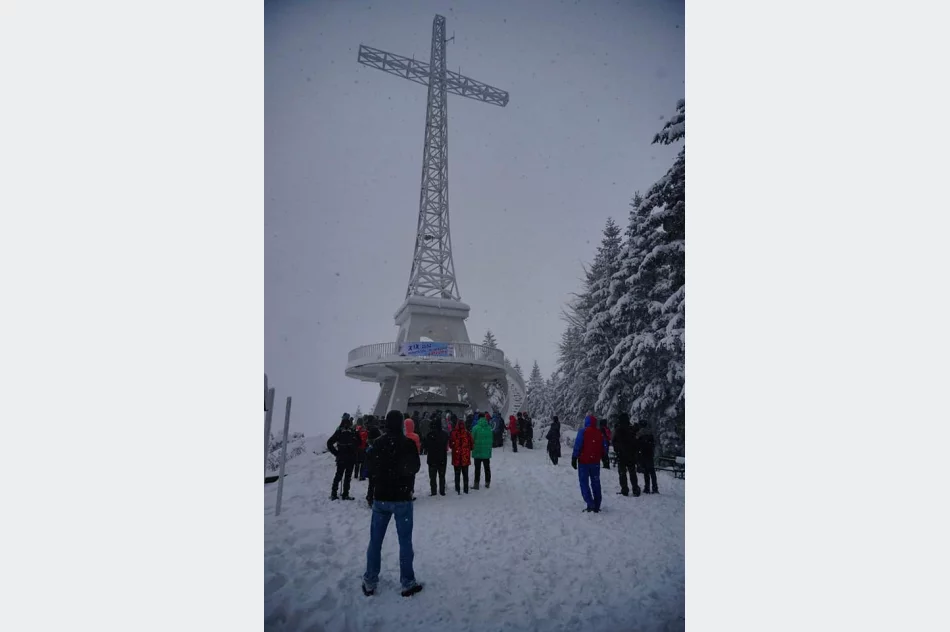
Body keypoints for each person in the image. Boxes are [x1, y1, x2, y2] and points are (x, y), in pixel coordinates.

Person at [362, 410, 423, 597]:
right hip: (402, 498)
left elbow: (368, 469)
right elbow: (415, 467)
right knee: (404, 542)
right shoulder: (408, 444)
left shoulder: (377, 444)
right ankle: (407, 582)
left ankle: (370, 581)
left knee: (375, 541)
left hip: (381, 498)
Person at [571, 414, 607, 513]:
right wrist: (603, 456)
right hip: (595, 462)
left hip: (584, 462)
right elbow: (604, 447)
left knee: (584, 483)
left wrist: (574, 457)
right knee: (596, 482)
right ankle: (597, 503)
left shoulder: (583, 432)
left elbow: (578, 444)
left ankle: (590, 503)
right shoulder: (599, 433)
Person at [326, 414, 358, 500]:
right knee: (347, 477)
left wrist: (336, 453)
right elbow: (358, 443)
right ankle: (345, 494)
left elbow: (329, 443)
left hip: (342, 458)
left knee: (338, 475)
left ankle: (334, 494)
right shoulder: (353, 430)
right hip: (350, 458)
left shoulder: (339, 430)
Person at [611, 413, 641, 497]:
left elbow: (614, 442)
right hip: (630, 454)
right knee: (632, 472)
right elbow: (635, 442)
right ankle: (635, 489)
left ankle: (624, 489)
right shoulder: (631, 429)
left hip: (621, 455)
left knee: (622, 473)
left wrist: (618, 450)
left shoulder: (618, 429)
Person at [422, 416, 449, 496]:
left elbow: (425, 447)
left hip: (432, 459)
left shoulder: (429, 435)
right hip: (442, 458)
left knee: (432, 477)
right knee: (442, 476)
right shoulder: (444, 434)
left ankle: (433, 491)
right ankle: (442, 490)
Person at [449, 414, 473, 494]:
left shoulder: (453, 433)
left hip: (456, 457)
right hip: (465, 457)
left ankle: (457, 489)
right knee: (465, 474)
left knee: (457, 474)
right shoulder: (467, 433)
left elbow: (450, 445)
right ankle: (466, 489)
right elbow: (472, 444)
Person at [471, 412, 493, 489]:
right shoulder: (489, 428)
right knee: (487, 468)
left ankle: (476, 484)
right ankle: (487, 482)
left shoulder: (475, 428)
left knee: (477, 469)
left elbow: (472, 440)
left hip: (477, 451)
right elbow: (491, 439)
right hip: (486, 451)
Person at [364, 418, 382, 507]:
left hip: (371, 468)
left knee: (371, 484)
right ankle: (375, 497)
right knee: (377, 483)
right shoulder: (379, 447)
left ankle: (370, 497)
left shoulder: (369, 448)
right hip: (377, 467)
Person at [638, 422, 658, 494]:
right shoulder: (650, 433)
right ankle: (655, 488)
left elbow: (638, 444)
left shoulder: (640, 434)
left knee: (646, 472)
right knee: (652, 472)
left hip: (644, 454)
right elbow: (653, 444)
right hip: (650, 454)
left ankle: (647, 488)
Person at [404, 418, 421, 500]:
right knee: (411, 477)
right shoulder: (416, 436)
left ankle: (404, 491)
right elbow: (418, 448)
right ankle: (411, 492)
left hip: (404, 459)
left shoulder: (403, 436)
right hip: (413, 458)